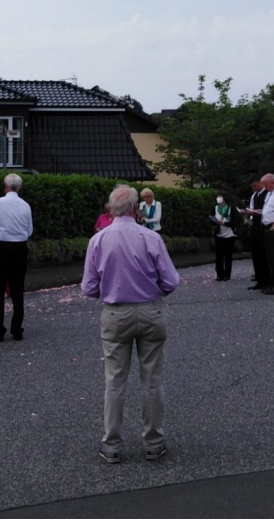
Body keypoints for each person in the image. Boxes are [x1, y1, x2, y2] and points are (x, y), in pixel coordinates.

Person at [82, 185, 180, 464]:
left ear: (111, 209)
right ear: (137, 209)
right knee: (152, 380)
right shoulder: (150, 237)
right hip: (150, 311)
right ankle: (153, 441)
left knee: (114, 381)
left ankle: (111, 443)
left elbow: (89, 287)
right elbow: (171, 281)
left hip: (115, 313)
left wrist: (109, 289)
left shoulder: (98, 240)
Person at [0, 174, 33, 342]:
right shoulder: (26, 205)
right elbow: (29, 231)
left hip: (1, 246)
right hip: (19, 247)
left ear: (5, 186)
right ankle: (17, 329)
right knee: (17, 289)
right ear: (19, 187)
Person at [241, 178, 270, 289]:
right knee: (255, 253)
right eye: (253, 186)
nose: (254, 188)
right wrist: (249, 213)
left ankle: (267, 280)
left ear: (261, 183)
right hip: (255, 224)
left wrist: (256, 212)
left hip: (263, 224)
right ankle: (259, 279)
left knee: (264, 253)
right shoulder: (254, 195)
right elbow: (253, 208)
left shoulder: (267, 194)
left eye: (255, 186)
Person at [211, 192, 238, 281]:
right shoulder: (215, 208)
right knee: (219, 256)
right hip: (218, 234)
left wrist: (225, 223)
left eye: (220, 196)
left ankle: (227, 274)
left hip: (229, 234)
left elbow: (234, 222)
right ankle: (219, 274)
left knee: (228, 256)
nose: (218, 198)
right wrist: (215, 222)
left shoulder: (231, 208)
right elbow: (211, 218)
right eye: (217, 196)